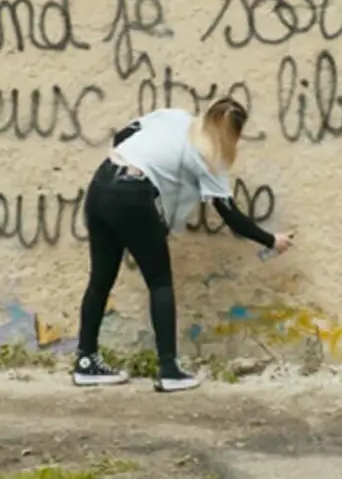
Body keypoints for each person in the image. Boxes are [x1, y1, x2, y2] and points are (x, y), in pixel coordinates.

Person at [73, 97, 295, 393]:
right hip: (133, 197)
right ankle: (169, 370)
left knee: (100, 281)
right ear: (233, 133)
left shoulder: (174, 117)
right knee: (160, 283)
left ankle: (86, 361)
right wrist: (271, 240)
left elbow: (123, 135)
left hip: (101, 184)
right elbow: (230, 215)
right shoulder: (210, 156)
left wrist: (145, 165)